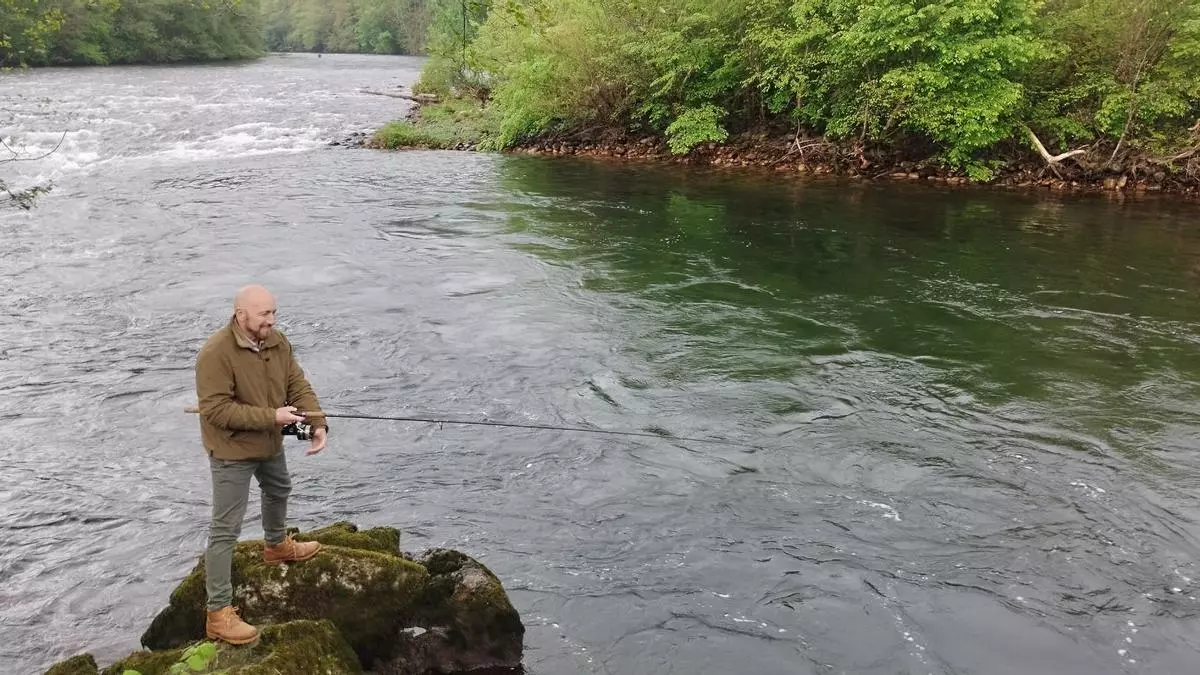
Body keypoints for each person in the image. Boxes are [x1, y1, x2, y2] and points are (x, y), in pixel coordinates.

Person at [193, 284, 330, 644]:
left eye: (274, 313)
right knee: (225, 530)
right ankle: (218, 614)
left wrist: (318, 423)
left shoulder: (277, 342)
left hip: (269, 441)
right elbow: (216, 410)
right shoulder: (215, 354)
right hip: (231, 451)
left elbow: (297, 385)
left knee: (279, 488)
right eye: (264, 314)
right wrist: (272, 416)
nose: (271, 320)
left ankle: (276, 546)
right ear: (241, 315)